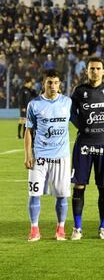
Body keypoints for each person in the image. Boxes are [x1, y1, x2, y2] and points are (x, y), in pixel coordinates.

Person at [70, 57, 104, 240]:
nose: (95, 71)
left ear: (103, 71)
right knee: (79, 185)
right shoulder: (79, 91)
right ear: (87, 71)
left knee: (103, 187)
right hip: (84, 144)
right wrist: (81, 126)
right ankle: (77, 228)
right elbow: (71, 113)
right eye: (92, 69)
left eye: (98, 68)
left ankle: (103, 228)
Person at [24, 70, 72, 241]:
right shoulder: (34, 105)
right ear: (43, 84)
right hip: (40, 157)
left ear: (60, 84)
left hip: (62, 157)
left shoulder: (67, 102)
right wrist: (28, 155)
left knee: (61, 195)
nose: (53, 86)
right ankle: (34, 229)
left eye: (56, 83)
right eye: (49, 83)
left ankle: (61, 229)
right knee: (34, 193)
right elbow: (28, 131)